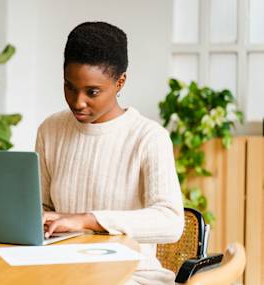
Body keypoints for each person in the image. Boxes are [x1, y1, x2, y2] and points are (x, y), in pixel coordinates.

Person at [36, 22, 184, 285]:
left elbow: (171, 222)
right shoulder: (51, 130)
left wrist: (89, 220)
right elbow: (43, 207)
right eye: (69, 87)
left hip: (132, 275)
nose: (78, 102)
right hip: (62, 269)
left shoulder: (149, 138)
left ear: (120, 82)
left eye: (92, 92)